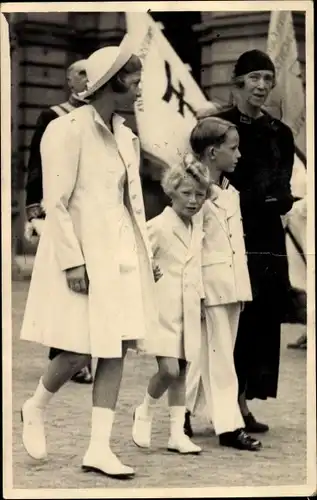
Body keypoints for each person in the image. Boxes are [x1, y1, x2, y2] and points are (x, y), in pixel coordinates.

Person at [20, 36, 159, 479]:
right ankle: (35, 406)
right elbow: (55, 202)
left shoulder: (126, 135)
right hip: (82, 254)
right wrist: (72, 261)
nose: (139, 87)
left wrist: (145, 254)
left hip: (119, 256)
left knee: (115, 348)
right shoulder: (67, 128)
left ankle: (98, 448)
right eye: (134, 79)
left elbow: (130, 203)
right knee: (78, 352)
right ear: (113, 83)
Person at [186, 50, 295, 435]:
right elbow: (201, 176)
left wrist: (276, 198)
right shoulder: (217, 126)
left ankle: (241, 402)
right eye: (254, 78)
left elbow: (282, 184)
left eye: (268, 78)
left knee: (260, 323)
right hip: (224, 234)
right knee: (219, 326)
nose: (262, 86)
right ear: (237, 82)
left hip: (265, 238)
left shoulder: (281, 132)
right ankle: (192, 407)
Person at [185, 117, 261, 451]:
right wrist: (195, 289)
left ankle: (181, 412)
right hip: (209, 285)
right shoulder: (193, 191)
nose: (239, 155)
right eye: (233, 148)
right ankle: (229, 427)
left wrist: (241, 287)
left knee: (206, 355)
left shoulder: (229, 191)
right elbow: (190, 245)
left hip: (229, 285)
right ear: (213, 152)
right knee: (218, 358)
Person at [132, 157, 209, 455]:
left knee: (183, 370)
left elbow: (195, 267)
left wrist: (200, 299)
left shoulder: (195, 228)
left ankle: (177, 433)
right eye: (186, 193)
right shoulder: (159, 226)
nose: (193, 200)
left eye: (199, 195)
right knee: (168, 369)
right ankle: (145, 410)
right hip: (162, 308)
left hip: (187, 309)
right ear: (171, 192)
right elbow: (139, 254)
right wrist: (148, 268)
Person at [24, 59, 93, 384]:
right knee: (65, 284)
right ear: (69, 81)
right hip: (59, 210)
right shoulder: (52, 116)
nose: (86, 78)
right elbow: (36, 165)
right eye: (80, 73)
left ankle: (78, 353)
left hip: (91, 213)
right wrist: (34, 208)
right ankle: (65, 354)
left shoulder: (100, 118)